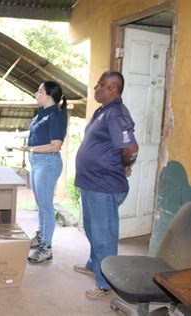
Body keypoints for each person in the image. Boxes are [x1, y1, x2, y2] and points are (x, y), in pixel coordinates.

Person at [73, 71, 139, 299]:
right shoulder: (104, 111)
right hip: (92, 183)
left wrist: (124, 165)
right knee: (92, 229)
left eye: (100, 85)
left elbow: (130, 149)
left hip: (104, 185)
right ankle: (94, 265)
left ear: (112, 88)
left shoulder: (117, 114)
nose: (95, 88)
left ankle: (106, 282)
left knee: (104, 235)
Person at [15, 81, 68, 263]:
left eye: (39, 91)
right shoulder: (42, 114)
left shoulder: (56, 116)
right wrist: (20, 139)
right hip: (37, 162)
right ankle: (40, 236)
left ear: (48, 95)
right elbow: (34, 133)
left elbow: (55, 145)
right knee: (41, 205)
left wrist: (29, 150)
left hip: (48, 162)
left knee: (46, 207)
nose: (36, 94)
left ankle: (47, 247)